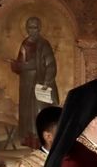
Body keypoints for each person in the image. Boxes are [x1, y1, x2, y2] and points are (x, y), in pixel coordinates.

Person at [9, 16, 59, 149]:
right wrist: (16, 65)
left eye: (35, 27)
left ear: (39, 28)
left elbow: (51, 64)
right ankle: (29, 140)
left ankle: (41, 141)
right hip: (26, 83)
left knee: (38, 111)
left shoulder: (44, 44)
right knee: (27, 112)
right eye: (30, 27)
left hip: (39, 83)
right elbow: (21, 63)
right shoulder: (25, 43)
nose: (32, 30)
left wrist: (46, 82)